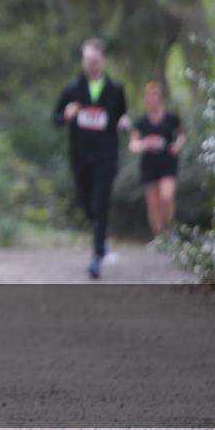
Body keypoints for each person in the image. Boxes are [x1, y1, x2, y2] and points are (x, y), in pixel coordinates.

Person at [52, 38, 131, 280]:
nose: (91, 64)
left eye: (95, 60)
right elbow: (55, 118)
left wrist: (124, 122)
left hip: (106, 155)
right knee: (87, 203)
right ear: (83, 61)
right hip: (80, 155)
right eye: (87, 60)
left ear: (103, 61)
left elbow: (122, 114)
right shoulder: (72, 89)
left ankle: (97, 257)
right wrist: (65, 116)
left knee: (100, 203)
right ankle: (101, 235)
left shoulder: (115, 89)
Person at [129, 82, 185, 239]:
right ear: (146, 100)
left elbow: (182, 135)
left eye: (155, 96)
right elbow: (133, 144)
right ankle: (159, 236)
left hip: (168, 163)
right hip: (149, 165)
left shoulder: (171, 118)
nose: (153, 99)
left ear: (161, 98)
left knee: (166, 196)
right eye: (149, 97)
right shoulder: (141, 122)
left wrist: (177, 145)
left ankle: (169, 227)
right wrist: (142, 145)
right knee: (153, 203)